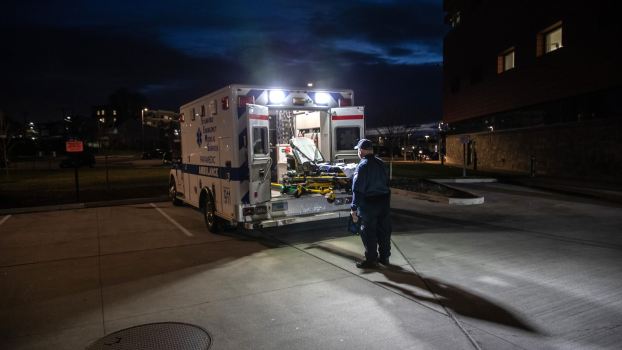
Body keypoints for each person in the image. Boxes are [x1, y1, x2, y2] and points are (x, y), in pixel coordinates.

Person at [350, 138, 392, 268]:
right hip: (384, 201)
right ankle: (385, 258)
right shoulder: (381, 163)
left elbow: (358, 189)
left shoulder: (362, 166)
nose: (358, 152)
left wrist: (354, 208)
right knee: (384, 231)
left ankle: (371, 259)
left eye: (358, 149)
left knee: (368, 232)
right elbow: (387, 183)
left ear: (362, 150)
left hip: (369, 203)